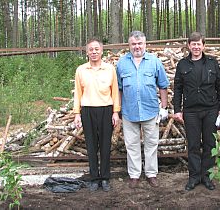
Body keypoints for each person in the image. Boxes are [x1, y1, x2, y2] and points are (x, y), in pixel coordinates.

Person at [173, 32, 220, 191]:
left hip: (210, 109)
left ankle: (207, 177)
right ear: (188, 46)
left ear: (203, 45)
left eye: (199, 44)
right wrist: (177, 109)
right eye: (193, 44)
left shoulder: (212, 63)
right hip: (191, 112)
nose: (196, 47)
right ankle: (194, 177)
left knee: (210, 144)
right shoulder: (182, 64)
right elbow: (178, 89)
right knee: (194, 145)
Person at [116, 30, 170, 188]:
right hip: (129, 112)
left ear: (145, 44)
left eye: (140, 44)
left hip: (150, 111)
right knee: (131, 145)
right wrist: (118, 109)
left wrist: (164, 107)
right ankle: (134, 175)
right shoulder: (122, 63)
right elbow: (118, 88)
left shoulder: (154, 62)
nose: (137, 47)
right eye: (134, 44)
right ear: (129, 45)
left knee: (151, 144)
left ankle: (151, 174)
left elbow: (163, 85)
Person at [73, 38, 120, 192]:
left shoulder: (109, 69)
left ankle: (105, 178)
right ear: (87, 52)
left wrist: (115, 112)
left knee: (105, 145)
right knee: (91, 146)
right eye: (91, 50)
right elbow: (78, 93)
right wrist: (77, 114)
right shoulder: (81, 70)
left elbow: (115, 92)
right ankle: (94, 178)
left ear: (101, 51)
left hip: (106, 109)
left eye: (96, 49)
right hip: (87, 110)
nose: (93, 52)